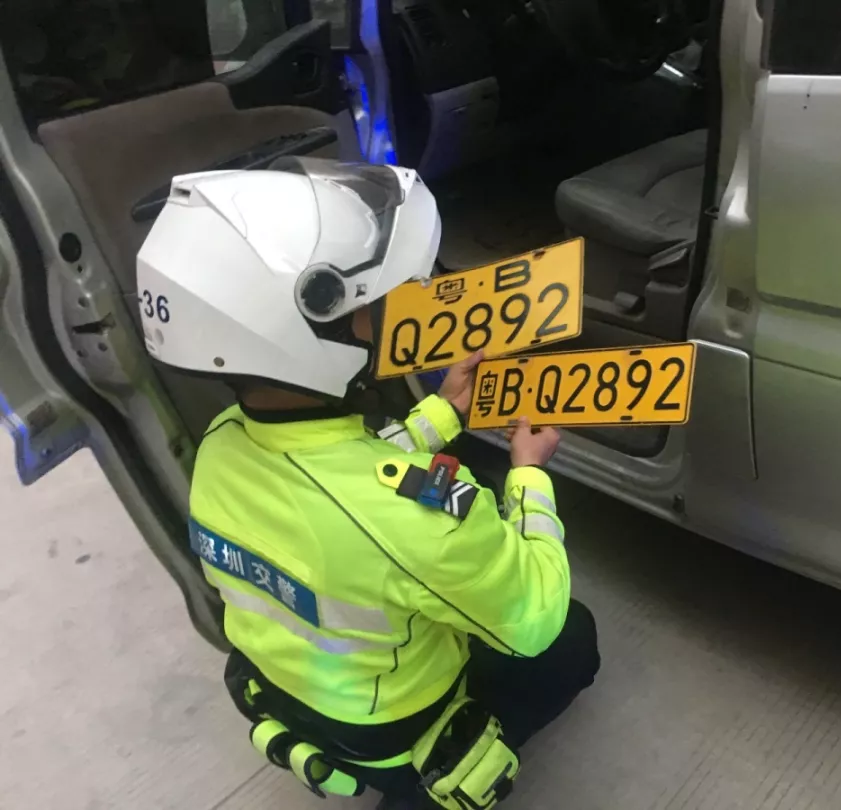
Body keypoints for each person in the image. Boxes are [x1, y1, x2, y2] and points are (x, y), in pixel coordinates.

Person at [136, 157, 600, 808]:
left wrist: (445, 413)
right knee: (573, 638)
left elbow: (345, 478)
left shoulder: (222, 443)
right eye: (372, 305)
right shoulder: (422, 519)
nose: (392, 311)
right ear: (309, 336)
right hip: (391, 729)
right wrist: (528, 476)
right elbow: (534, 617)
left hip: (288, 690)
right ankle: (428, 783)